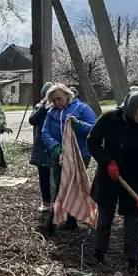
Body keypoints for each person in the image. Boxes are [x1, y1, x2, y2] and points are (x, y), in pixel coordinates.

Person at [88, 89, 138, 276]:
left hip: (135, 178)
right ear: (132, 107)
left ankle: (132, 259)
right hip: (110, 176)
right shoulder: (109, 119)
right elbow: (93, 142)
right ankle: (99, 251)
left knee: (132, 222)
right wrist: (108, 161)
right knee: (105, 216)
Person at [38, 83, 98, 229]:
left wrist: (78, 124)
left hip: (80, 154)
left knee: (75, 184)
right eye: (53, 100)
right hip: (59, 154)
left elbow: (93, 130)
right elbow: (45, 132)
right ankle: (57, 219)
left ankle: (72, 219)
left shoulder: (82, 109)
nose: (56, 102)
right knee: (59, 184)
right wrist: (55, 147)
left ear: (67, 95)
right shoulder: (52, 112)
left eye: (59, 98)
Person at [27, 83, 54, 213]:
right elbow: (32, 120)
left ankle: (58, 202)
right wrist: (43, 107)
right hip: (41, 146)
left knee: (57, 175)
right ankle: (46, 201)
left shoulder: (60, 107)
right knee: (43, 174)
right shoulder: (39, 107)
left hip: (55, 145)